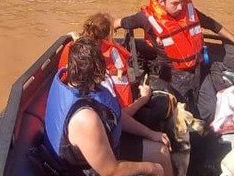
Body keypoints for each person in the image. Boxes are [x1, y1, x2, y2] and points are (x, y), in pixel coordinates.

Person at [113, 0, 234, 115]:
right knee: (178, 115)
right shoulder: (145, 18)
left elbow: (210, 23)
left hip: (198, 69)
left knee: (209, 110)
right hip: (171, 75)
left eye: (181, 2)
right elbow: (120, 22)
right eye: (175, 3)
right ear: (161, 2)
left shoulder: (187, 10)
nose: (180, 7)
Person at [45, 37, 171, 176]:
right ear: (98, 72)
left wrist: (151, 134)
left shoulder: (74, 81)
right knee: (158, 166)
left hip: (105, 145)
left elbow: (117, 115)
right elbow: (110, 171)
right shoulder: (85, 119)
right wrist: (152, 168)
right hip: (90, 168)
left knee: (162, 152)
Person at [58, 13, 152, 113]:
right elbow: (123, 115)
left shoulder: (71, 48)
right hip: (115, 115)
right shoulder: (102, 85)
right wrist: (144, 98)